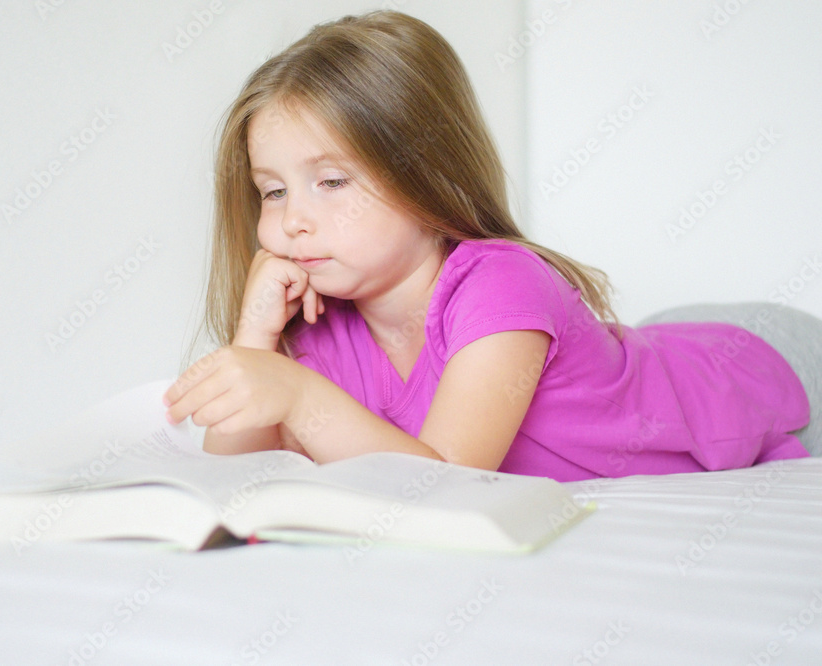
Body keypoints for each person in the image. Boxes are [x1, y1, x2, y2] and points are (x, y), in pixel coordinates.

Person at [162, 10, 813, 481]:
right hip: (632, 361)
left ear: (427, 174)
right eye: (272, 192)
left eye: (331, 181)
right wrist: (254, 345)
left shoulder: (501, 284)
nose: (294, 221)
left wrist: (297, 397)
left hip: (742, 364)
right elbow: (232, 485)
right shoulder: (318, 325)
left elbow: (448, 485)